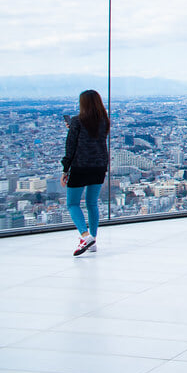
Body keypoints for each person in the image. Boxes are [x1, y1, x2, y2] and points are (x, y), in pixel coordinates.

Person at [61, 90, 110, 257]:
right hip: (99, 165)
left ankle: (85, 236)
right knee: (92, 203)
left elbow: (71, 147)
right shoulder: (104, 120)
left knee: (73, 203)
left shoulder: (77, 121)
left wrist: (65, 169)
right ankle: (93, 240)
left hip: (80, 166)